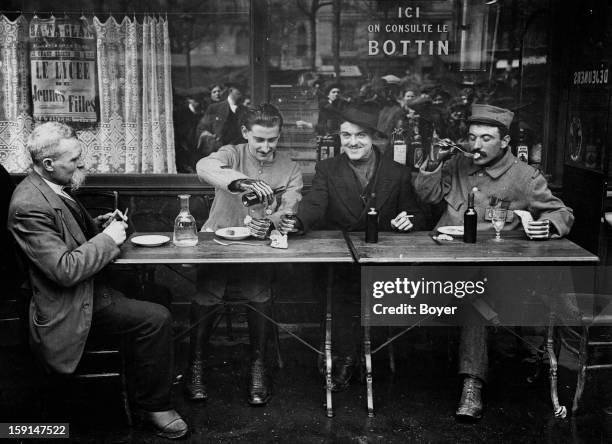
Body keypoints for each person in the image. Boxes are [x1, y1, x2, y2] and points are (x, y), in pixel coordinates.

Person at [8, 122, 188, 439]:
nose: (82, 164)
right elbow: (64, 269)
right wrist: (106, 239)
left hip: (91, 288)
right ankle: (154, 406)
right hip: (70, 303)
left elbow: (69, 237)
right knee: (156, 318)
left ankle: (143, 382)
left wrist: (99, 226)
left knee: (159, 294)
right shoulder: (28, 205)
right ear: (48, 164)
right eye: (75, 160)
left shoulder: (50, 187)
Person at [414, 104, 574, 421]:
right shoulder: (457, 163)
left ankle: (472, 384)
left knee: (475, 292)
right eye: (472, 137)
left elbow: (562, 212)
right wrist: (435, 161)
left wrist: (544, 226)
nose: (477, 145)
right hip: (445, 262)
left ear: (505, 142)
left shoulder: (525, 177)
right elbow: (426, 195)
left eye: (487, 138)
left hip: (496, 273)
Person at [288, 104, 427, 391]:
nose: (352, 142)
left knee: (368, 288)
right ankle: (348, 357)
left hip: (382, 259)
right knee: (341, 286)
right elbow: (315, 202)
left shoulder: (398, 173)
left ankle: (362, 355)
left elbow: (416, 212)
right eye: (346, 135)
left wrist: (409, 219)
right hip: (342, 257)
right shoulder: (328, 168)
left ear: (375, 138)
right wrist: (298, 221)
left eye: (360, 135)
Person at [191, 104, 302, 405]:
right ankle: (196, 366)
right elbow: (204, 166)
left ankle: (258, 366)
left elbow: (290, 207)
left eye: (273, 140)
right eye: (259, 140)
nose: (266, 147)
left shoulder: (290, 168)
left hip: (258, 244)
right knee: (208, 292)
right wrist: (242, 182)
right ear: (244, 134)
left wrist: (276, 220)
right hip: (217, 239)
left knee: (258, 291)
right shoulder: (231, 153)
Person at [196, 83, 246, 156]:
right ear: (231, 90)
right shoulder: (214, 108)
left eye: (243, 90)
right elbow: (201, 128)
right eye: (239, 90)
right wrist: (209, 137)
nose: (242, 93)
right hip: (217, 153)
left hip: (238, 154)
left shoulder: (245, 110)